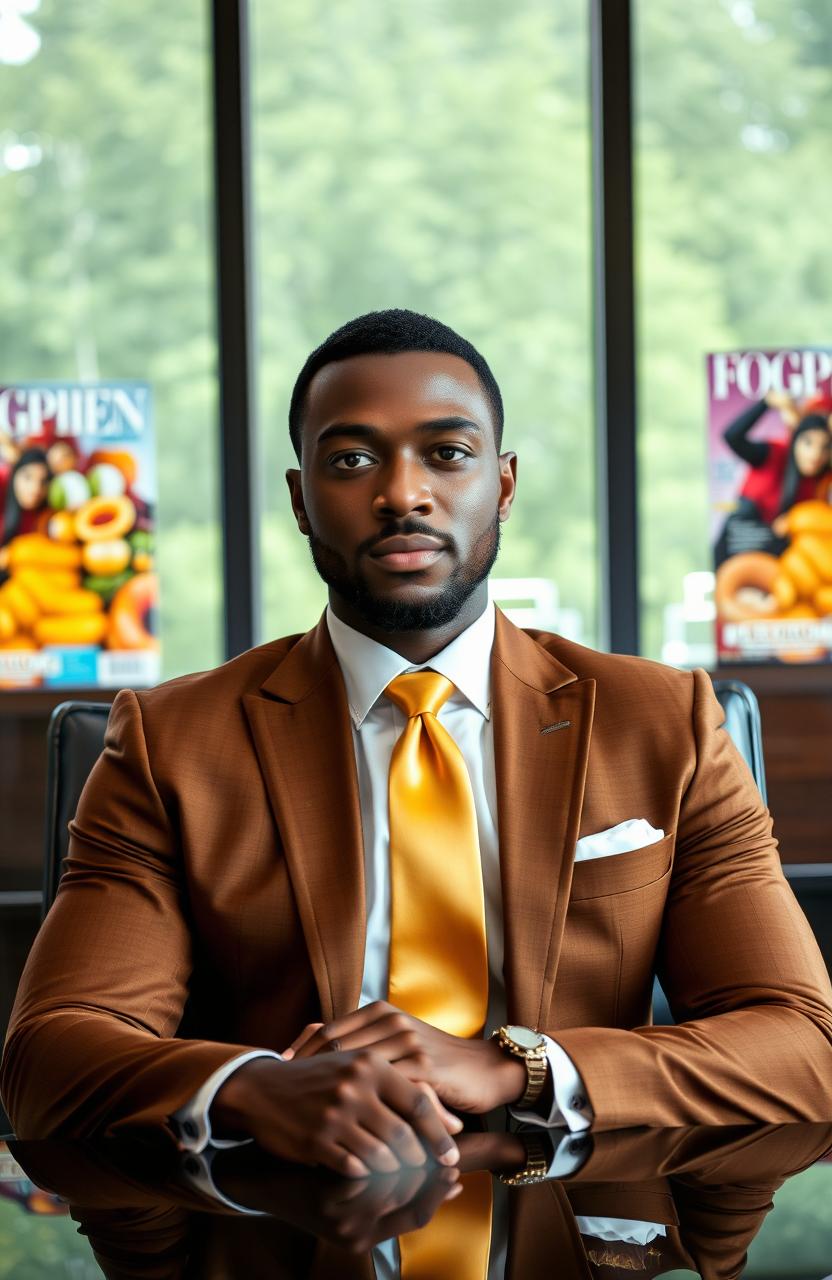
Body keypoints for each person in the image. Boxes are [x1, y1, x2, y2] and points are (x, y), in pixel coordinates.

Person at [2, 310, 832, 1182]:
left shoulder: (665, 722)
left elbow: (802, 1044)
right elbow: (49, 1057)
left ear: (503, 485)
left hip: (573, 1215)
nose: (402, 494)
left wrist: (516, 1066)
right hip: (285, 1217)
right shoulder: (172, 743)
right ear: (299, 498)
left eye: (447, 453)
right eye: (353, 460)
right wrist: (256, 1087)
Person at [715, 390, 832, 564]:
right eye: (808, 443)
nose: (815, 454)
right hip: (740, 547)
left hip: (781, 560)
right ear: (795, 440)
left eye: (825, 447)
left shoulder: (821, 482)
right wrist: (766, 403)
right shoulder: (773, 453)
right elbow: (732, 437)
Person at [0, 446, 51, 548]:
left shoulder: (47, 517)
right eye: (28, 477)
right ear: (14, 474)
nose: (35, 489)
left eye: (43, 481)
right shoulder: (3, 482)